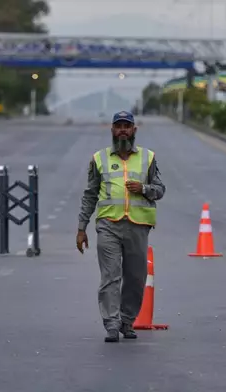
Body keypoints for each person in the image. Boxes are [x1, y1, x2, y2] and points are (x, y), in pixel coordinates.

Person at [77, 111, 166, 343]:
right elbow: (90, 195)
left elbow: (160, 189)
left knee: (136, 277)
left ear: (134, 130)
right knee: (110, 276)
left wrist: (144, 189)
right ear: (113, 131)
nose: (123, 130)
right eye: (119, 126)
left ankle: (127, 321)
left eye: (128, 126)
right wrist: (81, 227)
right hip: (109, 225)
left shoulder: (148, 157)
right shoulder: (100, 158)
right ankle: (112, 324)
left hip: (138, 226)